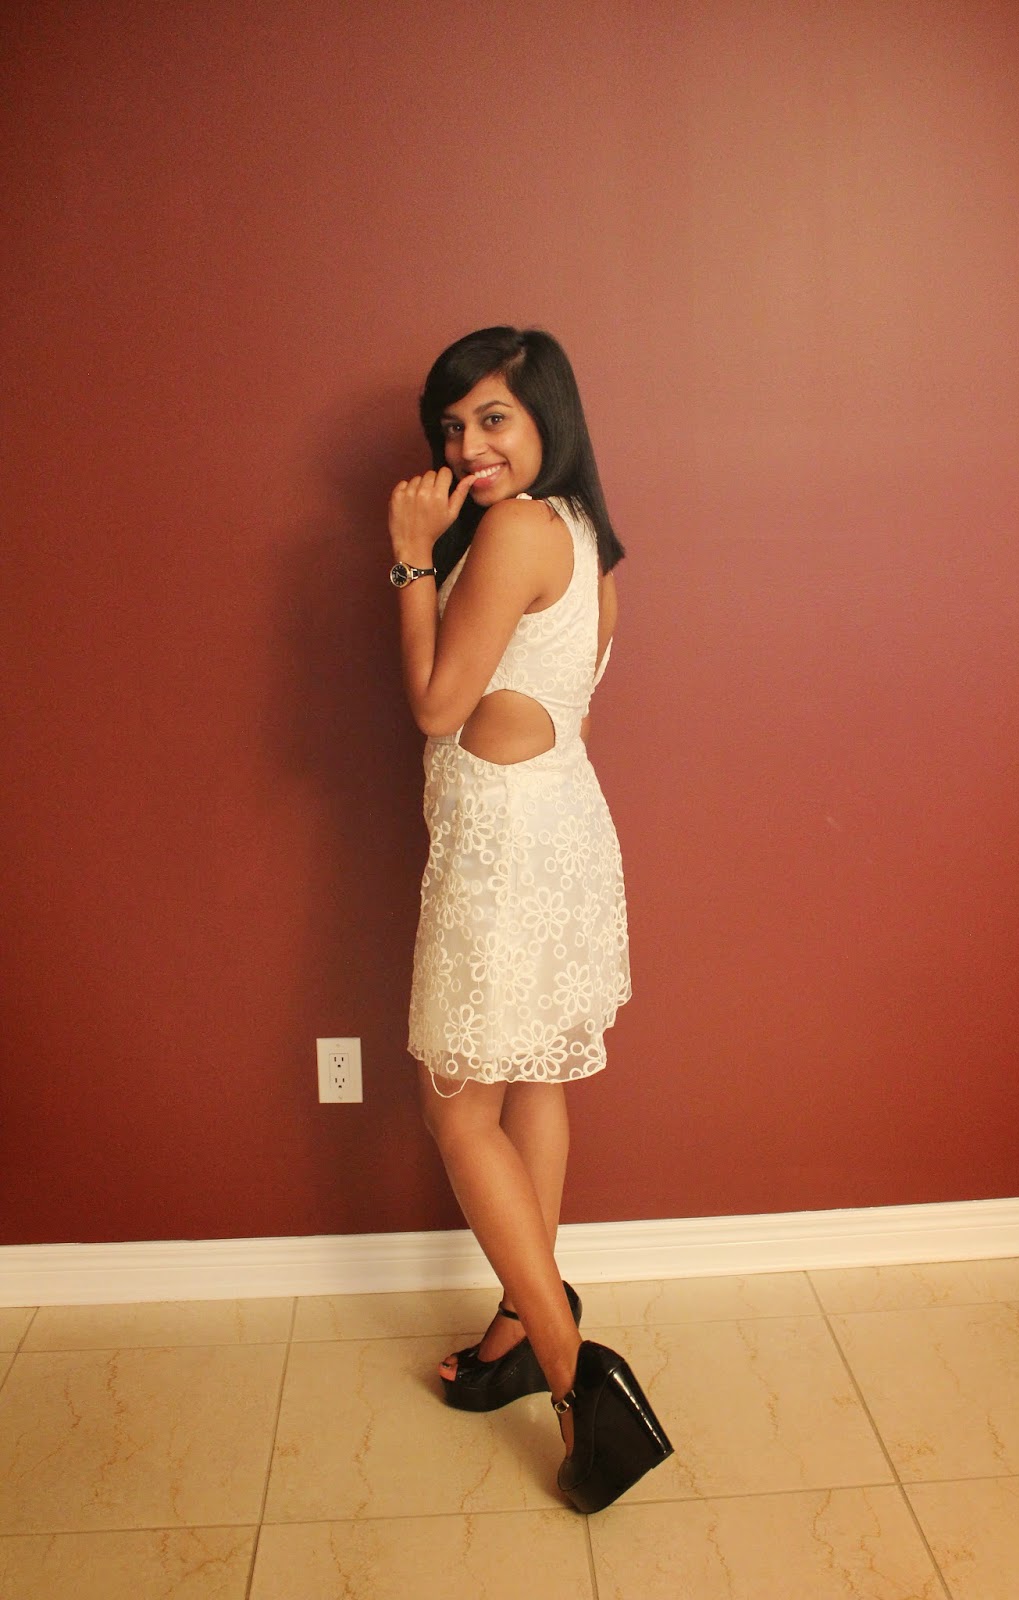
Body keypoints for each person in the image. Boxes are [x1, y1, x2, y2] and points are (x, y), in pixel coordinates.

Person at [387, 326, 672, 1513]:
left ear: (550, 413)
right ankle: (521, 1321)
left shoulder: (508, 531)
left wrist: (410, 562)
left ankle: (572, 1376)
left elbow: (435, 705)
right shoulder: (585, 535)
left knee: (460, 1113)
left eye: (492, 416)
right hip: (563, 830)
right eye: (452, 425)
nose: (468, 445)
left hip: (504, 851)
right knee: (534, 1088)